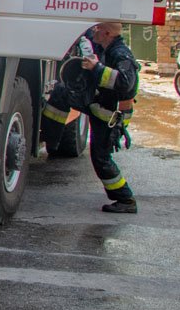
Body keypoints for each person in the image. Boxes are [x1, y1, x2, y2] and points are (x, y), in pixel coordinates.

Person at [42, 21, 140, 213]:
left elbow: (126, 84)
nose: (94, 30)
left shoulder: (121, 53)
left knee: (101, 158)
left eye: (98, 28)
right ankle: (50, 139)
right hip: (98, 105)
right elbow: (87, 35)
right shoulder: (104, 45)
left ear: (107, 33)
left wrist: (97, 69)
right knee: (61, 92)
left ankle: (126, 200)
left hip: (109, 115)